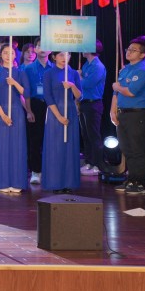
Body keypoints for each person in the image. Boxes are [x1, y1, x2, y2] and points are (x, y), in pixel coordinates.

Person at [110, 38, 145, 195]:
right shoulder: (125, 69)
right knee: (126, 148)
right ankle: (131, 178)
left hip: (138, 113)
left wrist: (117, 87)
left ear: (142, 55)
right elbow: (116, 93)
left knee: (138, 148)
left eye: (133, 50)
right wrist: (113, 110)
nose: (129, 52)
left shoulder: (142, 70)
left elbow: (130, 92)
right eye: (128, 49)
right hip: (123, 113)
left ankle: (141, 181)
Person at [0, 44, 29, 193]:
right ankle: (2, 181)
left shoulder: (21, 72)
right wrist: (3, 115)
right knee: (2, 146)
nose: (8, 55)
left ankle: (17, 181)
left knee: (17, 146)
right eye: (5, 52)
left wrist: (14, 83)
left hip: (17, 111)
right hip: (1, 111)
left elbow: (26, 92)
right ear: (0, 55)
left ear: (15, 55)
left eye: (11, 52)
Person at [42, 51, 82, 194]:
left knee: (70, 147)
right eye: (61, 55)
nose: (65, 57)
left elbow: (79, 96)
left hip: (70, 111)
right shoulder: (49, 73)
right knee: (55, 147)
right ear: (54, 57)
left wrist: (72, 86)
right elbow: (47, 96)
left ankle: (68, 182)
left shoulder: (74, 73)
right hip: (55, 112)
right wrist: (58, 116)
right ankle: (55, 182)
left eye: (67, 55)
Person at [22, 43, 51, 185]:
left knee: (51, 139)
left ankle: (50, 170)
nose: (43, 49)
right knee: (35, 139)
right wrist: (28, 110)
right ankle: (35, 171)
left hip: (52, 106)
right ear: (35, 49)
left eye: (46, 45)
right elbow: (26, 92)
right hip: (35, 105)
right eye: (40, 45)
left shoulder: (55, 68)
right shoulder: (28, 69)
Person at [79, 41, 107, 174]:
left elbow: (87, 83)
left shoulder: (98, 66)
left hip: (93, 103)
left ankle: (98, 165)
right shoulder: (86, 64)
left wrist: (78, 76)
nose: (82, 50)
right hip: (84, 102)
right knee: (86, 135)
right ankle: (89, 162)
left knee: (94, 135)